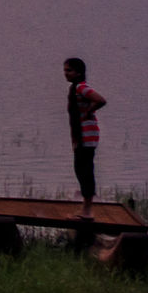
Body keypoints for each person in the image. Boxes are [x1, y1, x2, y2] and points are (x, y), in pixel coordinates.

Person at [64, 57, 106, 206]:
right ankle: (86, 207)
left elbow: (100, 100)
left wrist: (89, 111)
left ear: (79, 73)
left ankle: (87, 211)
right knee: (81, 169)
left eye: (69, 70)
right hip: (83, 137)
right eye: (65, 70)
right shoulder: (74, 89)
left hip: (87, 136)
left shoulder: (81, 88)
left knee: (84, 170)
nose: (66, 73)